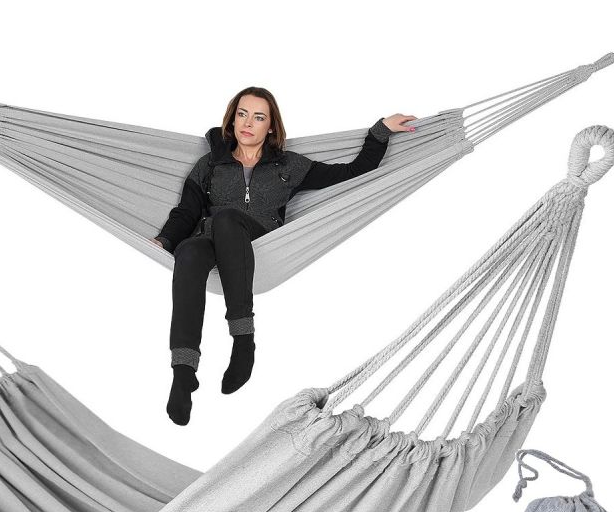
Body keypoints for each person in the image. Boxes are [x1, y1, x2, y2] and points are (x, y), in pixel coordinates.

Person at [151, 86, 416, 425]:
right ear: (232, 119)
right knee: (188, 251)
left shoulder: (289, 166)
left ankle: (243, 341)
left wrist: (380, 131)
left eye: (258, 117)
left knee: (228, 218)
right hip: (211, 238)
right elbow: (187, 211)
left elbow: (353, 171)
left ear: (271, 126)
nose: (248, 123)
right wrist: (164, 240)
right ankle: (183, 373)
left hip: (260, 241)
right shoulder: (210, 165)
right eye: (242, 114)